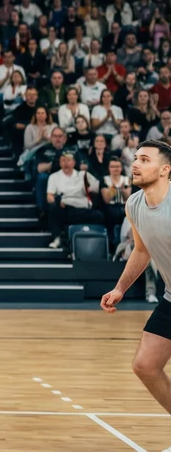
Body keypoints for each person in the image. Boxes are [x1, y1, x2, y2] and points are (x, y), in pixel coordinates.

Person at [102, 141, 171, 421]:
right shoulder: (134, 204)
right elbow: (141, 250)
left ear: (165, 169)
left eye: (145, 160)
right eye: (136, 158)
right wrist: (120, 288)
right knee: (145, 365)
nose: (135, 165)